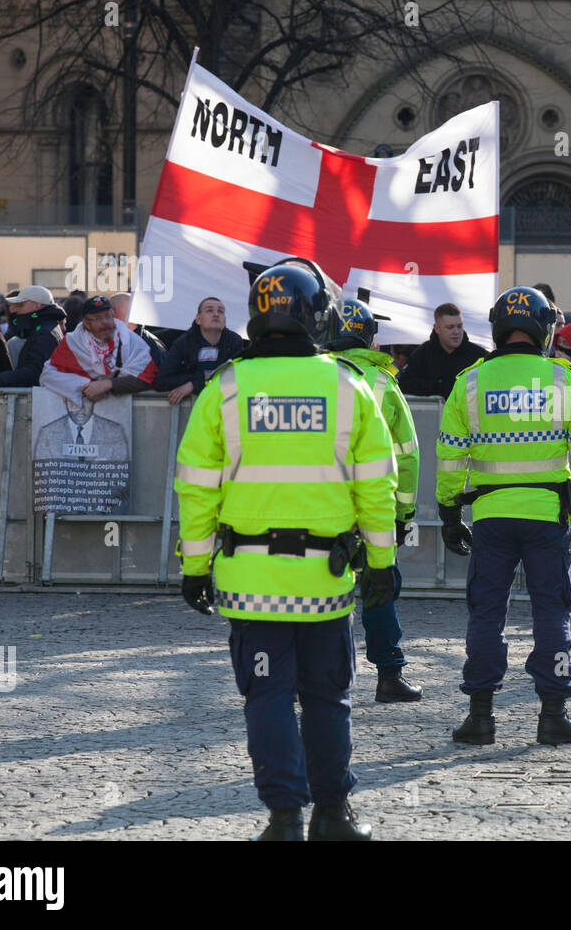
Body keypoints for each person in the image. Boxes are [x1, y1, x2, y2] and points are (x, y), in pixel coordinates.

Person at [175, 260, 398, 842]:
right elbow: (376, 485)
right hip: (325, 582)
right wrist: (382, 561)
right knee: (328, 699)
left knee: (267, 697)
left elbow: (196, 488)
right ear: (318, 317)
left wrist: (195, 567)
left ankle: (282, 820)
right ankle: (333, 815)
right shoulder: (348, 386)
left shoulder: (224, 387)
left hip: (249, 581)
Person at [436, 286, 571, 746]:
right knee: (552, 611)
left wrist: (449, 514)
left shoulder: (470, 382)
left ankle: (480, 717)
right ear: (546, 329)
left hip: (491, 516)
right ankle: (553, 715)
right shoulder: (563, 380)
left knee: (486, 612)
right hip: (546, 516)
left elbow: (450, 457)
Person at [325, 296, 424, 704]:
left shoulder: (312, 376)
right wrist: (403, 513)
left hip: (322, 503)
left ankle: (320, 677)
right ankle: (388, 676)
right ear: (372, 341)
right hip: (373, 506)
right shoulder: (383, 382)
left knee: (323, 592)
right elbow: (408, 453)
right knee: (380, 587)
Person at [40, 295, 158, 406]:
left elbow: (146, 378)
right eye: (97, 318)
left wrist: (108, 384)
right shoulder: (73, 343)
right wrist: (85, 386)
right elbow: (49, 375)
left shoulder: (130, 340)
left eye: (107, 316)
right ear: (86, 323)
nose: (105, 322)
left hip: (120, 414)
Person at [152, 296, 247, 405]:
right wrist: (195, 381)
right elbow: (161, 381)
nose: (216, 314)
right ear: (198, 319)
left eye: (220, 312)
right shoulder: (183, 343)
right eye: (209, 310)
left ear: (224, 321)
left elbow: (235, 378)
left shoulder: (234, 342)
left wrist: (194, 384)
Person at [0, 286, 68, 396]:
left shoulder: (44, 332)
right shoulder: (45, 327)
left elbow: (35, 372)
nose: (14, 310)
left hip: (39, 401)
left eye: (21, 305)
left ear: (37, 305)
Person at [396, 303, 488, 398]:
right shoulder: (422, 354)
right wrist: (439, 387)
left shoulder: (478, 355)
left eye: (459, 326)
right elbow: (404, 384)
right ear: (437, 328)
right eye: (450, 327)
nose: (456, 332)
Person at [110, 293, 168, 370]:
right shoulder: (147, 342)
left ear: (114, 312)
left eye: (106, 313)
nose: (104, 319)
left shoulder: (146, 346)